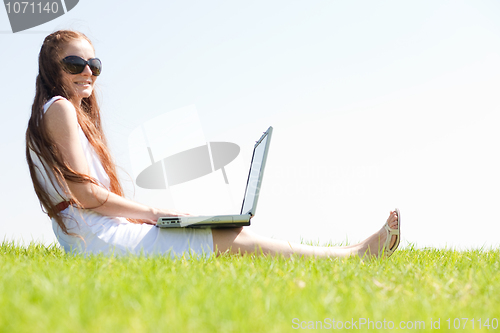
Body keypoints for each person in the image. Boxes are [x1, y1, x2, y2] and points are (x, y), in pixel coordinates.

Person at [26, 30, 401, 259]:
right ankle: (352, 258)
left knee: (228, 235)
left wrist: (155, 217)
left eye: (94, 63)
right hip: (97, 239)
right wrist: (154, 212)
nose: (88, 70)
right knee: (231, 237)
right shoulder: (59, 109)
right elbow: (88, 196)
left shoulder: (62, 113)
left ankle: (350, 255)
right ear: (53, 70)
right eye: (75, 64)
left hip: (93, 234)